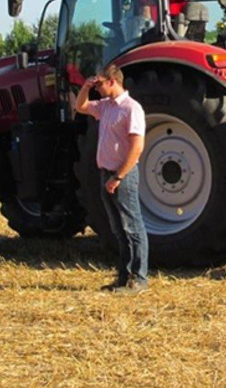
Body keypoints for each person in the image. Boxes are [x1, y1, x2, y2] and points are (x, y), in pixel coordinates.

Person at [74, 64, 149, 294]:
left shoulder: (131, 108)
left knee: (132, 226)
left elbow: (137, 147)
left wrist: (118, 177)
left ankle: (139, 278)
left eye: (100, 84)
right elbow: (81, 106)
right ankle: (124, 276)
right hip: (106, 173)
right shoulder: (105, 107)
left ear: (112, 81)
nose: (98, 88)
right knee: (118, 228)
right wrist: (85, 87)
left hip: (121, 176)